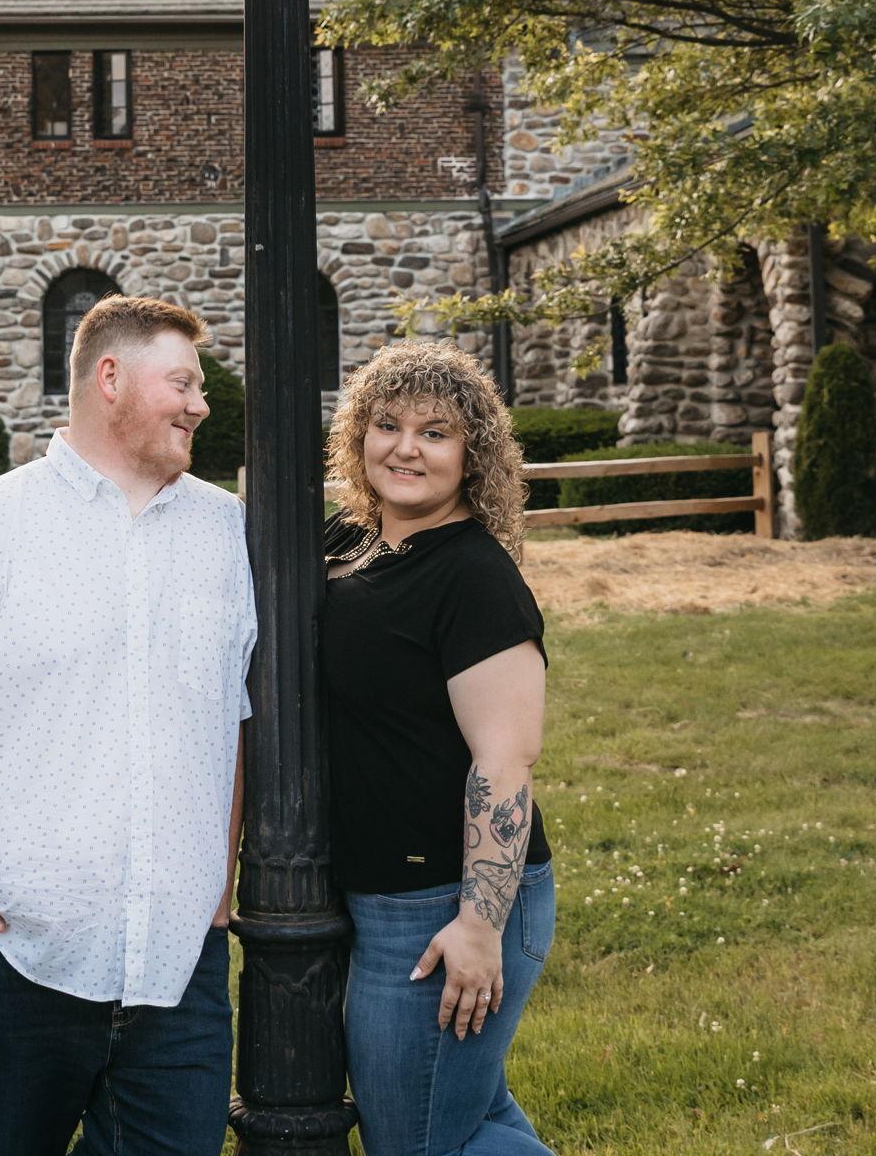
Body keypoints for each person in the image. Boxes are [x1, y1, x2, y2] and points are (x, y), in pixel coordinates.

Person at [0, 294, 255, 1156]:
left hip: (177, 961)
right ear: (110, 378)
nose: (201, 404)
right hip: (10, 954)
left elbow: (233, 716)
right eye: (183, 383)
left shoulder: (228, 534)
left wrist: (217, 887)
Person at [321, 340, 555, 1156]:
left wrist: (479, 926)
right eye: (387, 425)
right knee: (467, 1117)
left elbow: (505, 760)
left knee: (419, 1142)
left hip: (441, 906)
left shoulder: (473, 576)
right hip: (377, 895)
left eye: (435, 432)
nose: (406, 448)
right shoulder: (347, 540)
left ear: (473, 455)